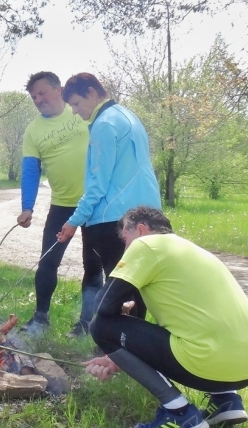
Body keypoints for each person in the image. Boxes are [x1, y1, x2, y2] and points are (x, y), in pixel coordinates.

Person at [83, 206, 248, 428]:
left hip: (206, 362)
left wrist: (114, 347)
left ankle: (178, 413)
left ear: (140, 230)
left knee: (100, 326)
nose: (125, 247)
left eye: (125, 239)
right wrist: (117, 359)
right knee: (193, 328)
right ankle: (226, 400)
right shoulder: (193, 250)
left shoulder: (145, 245)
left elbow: (103, 306)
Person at [16, 71, 101, 338]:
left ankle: (86, 324)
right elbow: (31, 170)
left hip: (96, 203)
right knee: (47, 262)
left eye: (42, 93)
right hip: (62, 205)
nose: (38, 99)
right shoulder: (33, 131)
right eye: (33, 97)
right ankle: (41, 318)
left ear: (58, 89)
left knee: (93, 265)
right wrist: (27, 206)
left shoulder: (82, 112)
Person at [57, 72, 161, 283]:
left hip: (115, 218)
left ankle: (102, 317)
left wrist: (74, 220)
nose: (75, 112)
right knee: (138, 284)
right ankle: (133, 317)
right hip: (149, 213)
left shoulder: (104, 125)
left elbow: (98, 184)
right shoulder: (128, 116)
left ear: (92, 93)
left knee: (115, 286)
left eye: (76, 103)